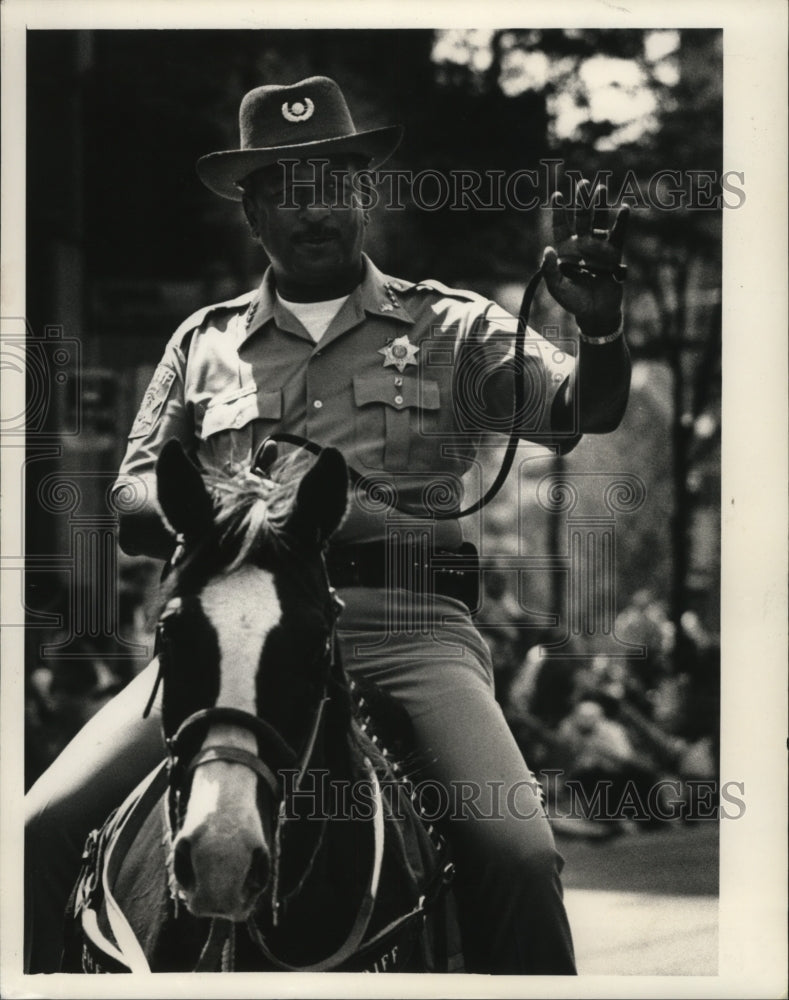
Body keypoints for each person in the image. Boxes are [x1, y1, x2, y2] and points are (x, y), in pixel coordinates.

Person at [25, 75, 631, 975]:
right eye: (285, 190)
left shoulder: (453, 326)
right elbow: (132, 499)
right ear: (252, 213)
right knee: (38, 831)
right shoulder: (205, 341)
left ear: (364, 194)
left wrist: (604, 332)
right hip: (224, 643)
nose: (313, 210)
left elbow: (579, 412)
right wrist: (250, 510)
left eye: (331, 186)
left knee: (521, 857)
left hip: (407, 631)